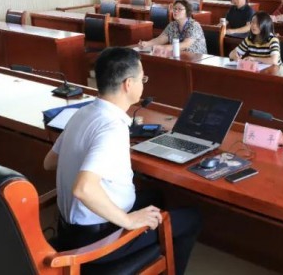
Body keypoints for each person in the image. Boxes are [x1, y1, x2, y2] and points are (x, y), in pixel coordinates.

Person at [43, 47, 201, 274]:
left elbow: (49, 162)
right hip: (95, 241)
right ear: (128, 84)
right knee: (192, 218)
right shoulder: (112, 128)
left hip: (68, 229)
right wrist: (128, 221)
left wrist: (87, 157)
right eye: (142, 79)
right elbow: (83, 188)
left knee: (155, 196)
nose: (143, 84)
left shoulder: (83, 112)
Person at [139, 0, 206, 54]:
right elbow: (160, 39)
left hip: (196, 57)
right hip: (179, 55)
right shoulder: (172, 25)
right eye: (174, 9)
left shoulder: (194, 25)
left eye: (179, 9)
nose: (176, 11)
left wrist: (164, 47)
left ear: (187, 12)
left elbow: (185, 44)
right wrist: (147, 43)